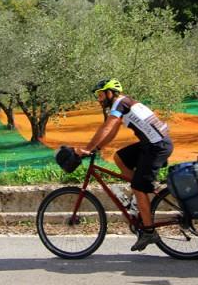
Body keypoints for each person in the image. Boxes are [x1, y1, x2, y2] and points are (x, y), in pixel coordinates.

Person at [74, 78, 174, 251]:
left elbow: (107, 128)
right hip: (151, 144)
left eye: (101, 95)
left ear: (111, 93)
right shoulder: (125, 103)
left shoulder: (120, 104)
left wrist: (89, 149)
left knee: (138, 186)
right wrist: (97, 147)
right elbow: (111, 131)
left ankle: (149, 231)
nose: (99, 99)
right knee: (119, 157)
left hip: (157, 147)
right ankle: (139, 197)